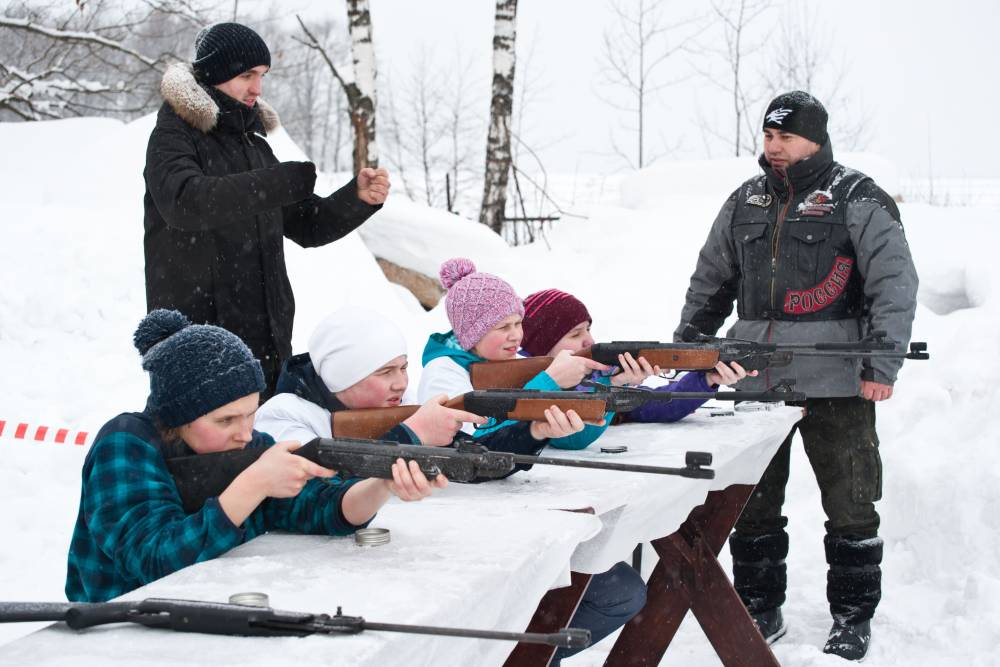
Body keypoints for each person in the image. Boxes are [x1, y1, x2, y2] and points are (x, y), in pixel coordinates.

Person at [674, 91, 918, 660]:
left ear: (815, 139)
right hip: (755, 380)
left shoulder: (857, 196)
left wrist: (881, 364)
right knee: (751, 503)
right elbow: (712, 279)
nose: (774, 147)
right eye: (768, 136)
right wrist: (689, 353)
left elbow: (893, 284)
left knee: (852, 505)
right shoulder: (746, 199)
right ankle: (759, 608)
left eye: (785, 137)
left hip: (837, 382)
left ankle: (853, 617)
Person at [66, 310, 441, 603]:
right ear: (179, 418)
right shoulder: (126, 444)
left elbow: (318, 507)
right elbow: (155, 561)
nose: (246, 433)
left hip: (212, 612)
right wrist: (254, 484)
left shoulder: (246, 444)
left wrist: (380, 483)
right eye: (226, 420)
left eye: (250, 414)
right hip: (115, 631)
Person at [418, 258, 646, 665]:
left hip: (514, 514)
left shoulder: (505, 367)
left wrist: (608, 389)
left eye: (518, 323)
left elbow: (570, 436)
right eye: (501, 327)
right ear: (471, 332)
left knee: (615, 593)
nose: (516, 335)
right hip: (470, 529)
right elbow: (473, 445)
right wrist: (547, 388)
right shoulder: (444, 375)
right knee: (561, 608)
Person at [143, 22, 390, 395]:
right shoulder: (172, 136)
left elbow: (307, 225)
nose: (257, 88)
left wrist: (356, 198)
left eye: (262, 76)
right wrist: (276, 182)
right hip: (199, 349)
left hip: (267, 345)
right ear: (213, 74)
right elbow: (185, 203)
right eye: (247, 75)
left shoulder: (254, 146)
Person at [519, 288, 755, 450]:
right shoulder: (525, 384)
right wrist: (612, 386)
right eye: (575, 334)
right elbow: (571, 440)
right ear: (542, 345)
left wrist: (707, 380)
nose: (589, 340)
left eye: (588, 329)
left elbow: (659, 406)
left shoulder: (596, 373)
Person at [255, 305, 483, 446]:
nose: (401, 384)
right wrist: (412, 434)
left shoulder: (403, 402)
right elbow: (319, 485)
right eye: (386, 372)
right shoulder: (283, 416)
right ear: (344, 377)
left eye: (403, 368)